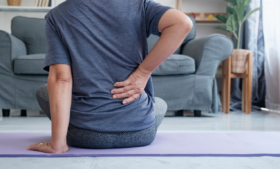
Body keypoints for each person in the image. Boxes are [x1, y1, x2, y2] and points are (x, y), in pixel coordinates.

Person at [27, 0, 192, 153]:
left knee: (43, 91)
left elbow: (61, 79)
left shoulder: (57, 15)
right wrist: (143, 72)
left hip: (84, 135)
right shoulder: (138, 4)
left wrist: (57, 145)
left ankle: (59, 140)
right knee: (160, 104)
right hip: (141, 133)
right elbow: (182, 23)